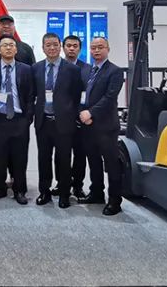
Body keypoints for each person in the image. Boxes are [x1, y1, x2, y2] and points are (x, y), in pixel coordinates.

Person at [32, 33, 84, 209]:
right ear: (43, 48)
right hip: (43, 121)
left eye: (55, 44)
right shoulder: (36, 68)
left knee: (63, 159)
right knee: (43, 158)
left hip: (64, 122)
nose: (52, 48)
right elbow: (33, 94)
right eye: (48, 45)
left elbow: (76, 96)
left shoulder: (72, 70)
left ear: (60, 46)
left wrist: (71, 114)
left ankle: (64, 193)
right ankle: (44, 191)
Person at [78, 37, 125, 216]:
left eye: (100, 47)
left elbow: (109, 97)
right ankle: (97, 193)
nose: (96, 51)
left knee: (111, 164)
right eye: (93, 48)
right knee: (94, 162)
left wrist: (91, 113)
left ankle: (114, 201)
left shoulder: (115, 71)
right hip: (88, 125)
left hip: (106, 127)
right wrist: (83, 115)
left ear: (108, 49)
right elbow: (82, 95)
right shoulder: (88, 70)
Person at [0, 35, 35, 204]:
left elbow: (30, 95)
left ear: (16, 49)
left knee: (20, 157)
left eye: (11, 45)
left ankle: (19, 190)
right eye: (4, 45)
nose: (8, 48)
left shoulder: (26, 69)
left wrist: (28, 118)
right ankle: (0, 187)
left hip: (19, 118)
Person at [61, 34, 90, 199]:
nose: (71, 49)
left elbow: (88, 94)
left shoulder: (87, 69)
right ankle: (61, 183)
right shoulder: (57, 67)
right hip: (61, 119)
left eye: (75, 46)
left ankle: (78, 186)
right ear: (63, 48)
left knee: (80, 154)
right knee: (62, 154)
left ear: (79, 49)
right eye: (68, 45)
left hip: (81, 118)